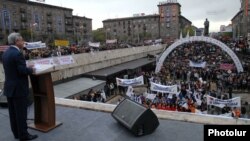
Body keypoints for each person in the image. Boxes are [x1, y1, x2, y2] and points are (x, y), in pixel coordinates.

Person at [2, 32, 38, 141]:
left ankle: (17, 133)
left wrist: (25, 66)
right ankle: (24, 135)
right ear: (17, 41)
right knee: (21, 113)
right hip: (18, 89)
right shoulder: (18, 54)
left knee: (13, 113)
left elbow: (14, 68)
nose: (23, 42)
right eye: (22, 40)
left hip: (9, 88)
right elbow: (22, 71)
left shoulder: (6, 53)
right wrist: (31, 69)